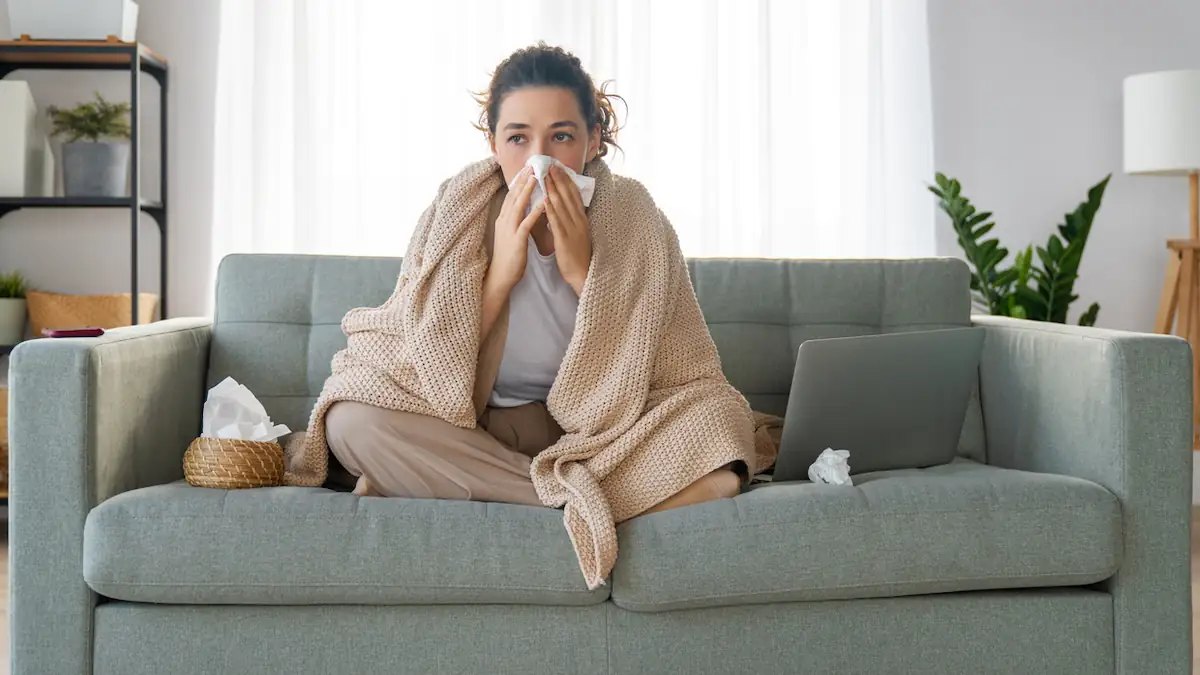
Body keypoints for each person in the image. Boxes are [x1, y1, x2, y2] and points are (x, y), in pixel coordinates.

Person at [319, 43, 748, 515]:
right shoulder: (456, 211)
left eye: (561, 137)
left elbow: (677, 366)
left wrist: (583, 273)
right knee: (350, 423)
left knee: (719, 419)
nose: (539, 159)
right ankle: (591, 504)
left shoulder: (635, 217)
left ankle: (445, 483)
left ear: (593, 140)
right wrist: (500, 276)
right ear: (494, 144)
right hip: (483, 428)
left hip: (602, 431)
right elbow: (423, 359)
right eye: (519, 138)